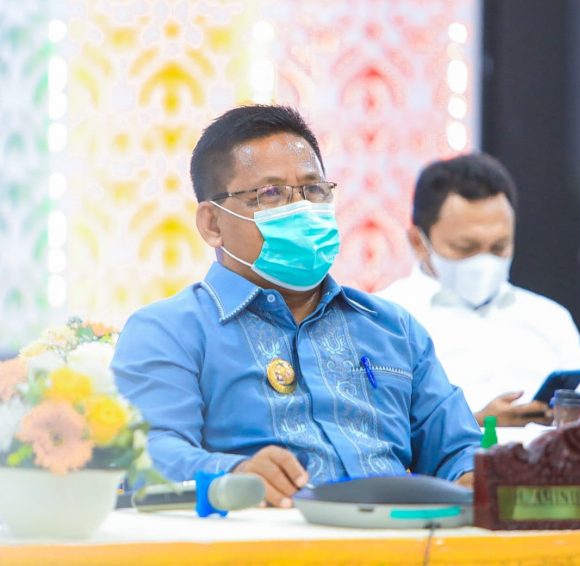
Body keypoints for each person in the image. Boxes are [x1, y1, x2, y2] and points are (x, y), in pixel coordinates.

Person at [112, 105, 481, 508]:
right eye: (270, 194)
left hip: (397, 535)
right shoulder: (169, 331)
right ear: (212, 224)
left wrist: (473, 477)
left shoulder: (393, 329)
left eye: (314, 190)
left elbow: (458, 449)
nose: (303, 209)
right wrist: (234, 475)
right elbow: (150, 456)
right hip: (264, 535)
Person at [378, 153, 580, 427]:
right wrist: (477, 422)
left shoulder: (549, 319)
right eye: (466, 248)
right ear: (418, 242)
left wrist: (575, 421)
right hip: (453, 457)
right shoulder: (383, 321)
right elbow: (374, 436)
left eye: (499, 247)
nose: (484, 262)